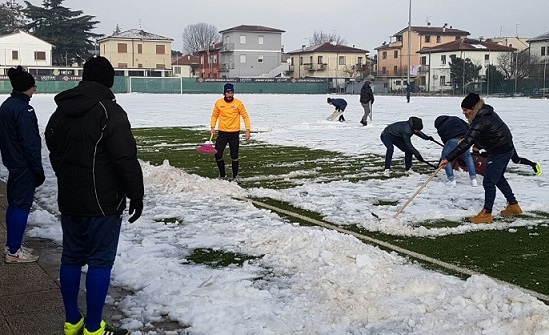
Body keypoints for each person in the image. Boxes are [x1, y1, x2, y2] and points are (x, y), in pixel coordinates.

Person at [45, 56, 143, 335]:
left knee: (71, 258)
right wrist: (136, 195)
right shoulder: (109, 111)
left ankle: (72, 319)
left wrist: (65, 175)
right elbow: (125, 158)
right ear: (109, 81)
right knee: (100, 261)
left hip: (70, 200)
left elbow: (53, 147)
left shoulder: (61, 111)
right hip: (102, 202)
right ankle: (92, 326)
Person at [439, 93, 522, 224]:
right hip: (503, 149)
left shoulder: (480, 120)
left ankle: (487, 214)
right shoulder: (484, 113)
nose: (464, 113)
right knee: (498, 178)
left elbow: (468, 141)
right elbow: (474, 137)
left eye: (466, 110)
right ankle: (513, 205)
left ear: (473, 108)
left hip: (500, 151)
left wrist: (448, 158)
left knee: (489, 182)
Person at [0, 66, 44, 263]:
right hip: (24, 165)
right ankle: (14, 251)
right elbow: (30, 142)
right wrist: (37, 168)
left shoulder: (7, 105)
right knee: (21, 207)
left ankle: (12, 244)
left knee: (14, 205)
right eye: (33, 86)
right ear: (27, 87)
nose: (35, 89)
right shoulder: (23, 109)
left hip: (13, 163)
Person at [211, 83, 251, 183]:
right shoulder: (219, 103)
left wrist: (247, 130)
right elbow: (214, 116)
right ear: (224, 93)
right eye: (228, 92)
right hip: (222, 133)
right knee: (217, 154)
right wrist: (212, 127)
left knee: (234, 155)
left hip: (234, 133)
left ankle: (235, 176)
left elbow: (245, 116)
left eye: (231, 92)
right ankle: (223, 175)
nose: (230, 94)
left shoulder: (238, 103)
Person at [434, 115, 478, 187]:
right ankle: (473, 179)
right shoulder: (456, 118)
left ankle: (451, 180)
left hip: (453, 139)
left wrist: (450, 149)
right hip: (465, 139)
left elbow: (444, 139)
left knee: (445, 158)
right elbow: (468, 126)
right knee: (467, 156)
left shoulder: (440, 127)